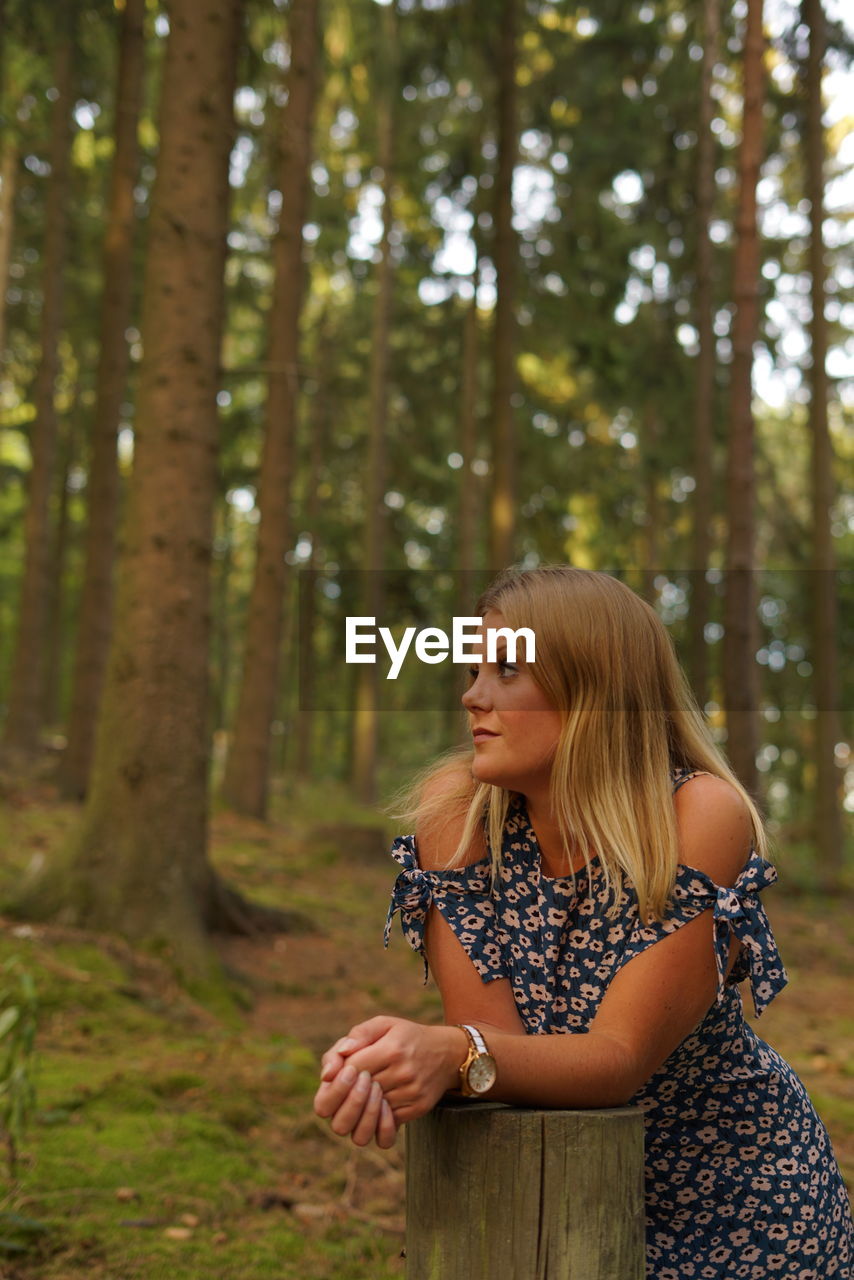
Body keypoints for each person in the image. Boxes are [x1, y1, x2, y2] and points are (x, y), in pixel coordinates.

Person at [313, 565, 853, 1278]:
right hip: (553, 1198)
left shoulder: (697, 816)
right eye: (475, 669)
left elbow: (617, 1058)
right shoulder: (461, 813)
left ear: (593, 688)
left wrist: (451, 1055)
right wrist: (389, 1063)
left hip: (741, 1207)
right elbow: (494, 1047)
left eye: (506, 670)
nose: (472, 694)